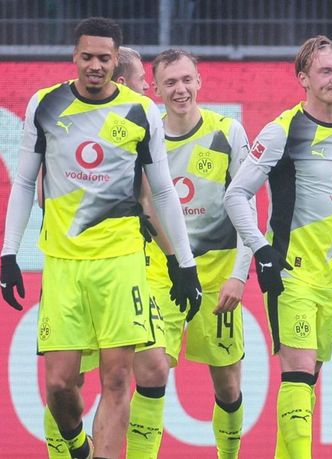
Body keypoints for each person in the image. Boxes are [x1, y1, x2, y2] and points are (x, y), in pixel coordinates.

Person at [0, 17, 201, 459]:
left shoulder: (140, 111)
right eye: (87, 56)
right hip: (64, 264)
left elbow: (162, 192)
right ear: (75, 56)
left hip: (121, 264)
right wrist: (9, 252)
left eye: (104, 58)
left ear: (115, 60)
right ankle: (77, 446)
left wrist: (184, 263)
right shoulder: (45, 104)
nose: (95, 65)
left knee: (117, 379)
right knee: (59, 384)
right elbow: (25, 182)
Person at [225, 35, 332, 458]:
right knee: (299, 373)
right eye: (325, 71)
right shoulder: (282, 130)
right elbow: (236, 195)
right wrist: (261, 250)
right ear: (303, 78)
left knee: (307, 384)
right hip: (291, 272)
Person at [143, 48, 252, 459]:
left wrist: (239, 275)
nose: (180, 89)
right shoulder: (146, 136)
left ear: (199, 81)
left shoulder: (228, 132)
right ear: (155, 89)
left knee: (228, 385)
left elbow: (247, 208)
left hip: (217, 278)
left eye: (187, 80)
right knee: (152, 369)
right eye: (170, 82)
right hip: (162, 275)